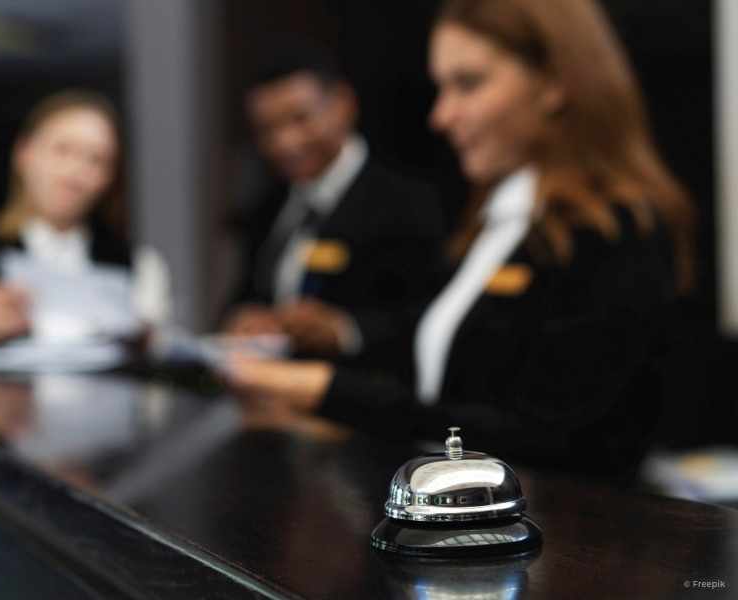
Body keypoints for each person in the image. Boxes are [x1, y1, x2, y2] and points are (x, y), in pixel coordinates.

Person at [224, 0, 697, 481]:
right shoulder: (498, 220)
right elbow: (440, 377)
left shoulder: (615, 230)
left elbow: (551, 440)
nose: (441, 116)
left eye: (467, 84)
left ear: (554, 80)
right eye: (442, 87)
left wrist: (324, 391)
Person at [222, 48, 448, 363]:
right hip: (272, 391)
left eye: (300, 119)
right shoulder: (268, 207)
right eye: (267, 130)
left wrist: (347, 331)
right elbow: (246, 294)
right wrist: (243, 317)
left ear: (342, 104)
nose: (285, 143)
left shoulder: (410, 202)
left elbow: (431, 310)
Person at [0, 90, 172, 354]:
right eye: (62, 150)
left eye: (96, 160)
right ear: (25, 154)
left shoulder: (140, 266)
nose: (75, 174)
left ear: (110, 177)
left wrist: (149, 346)